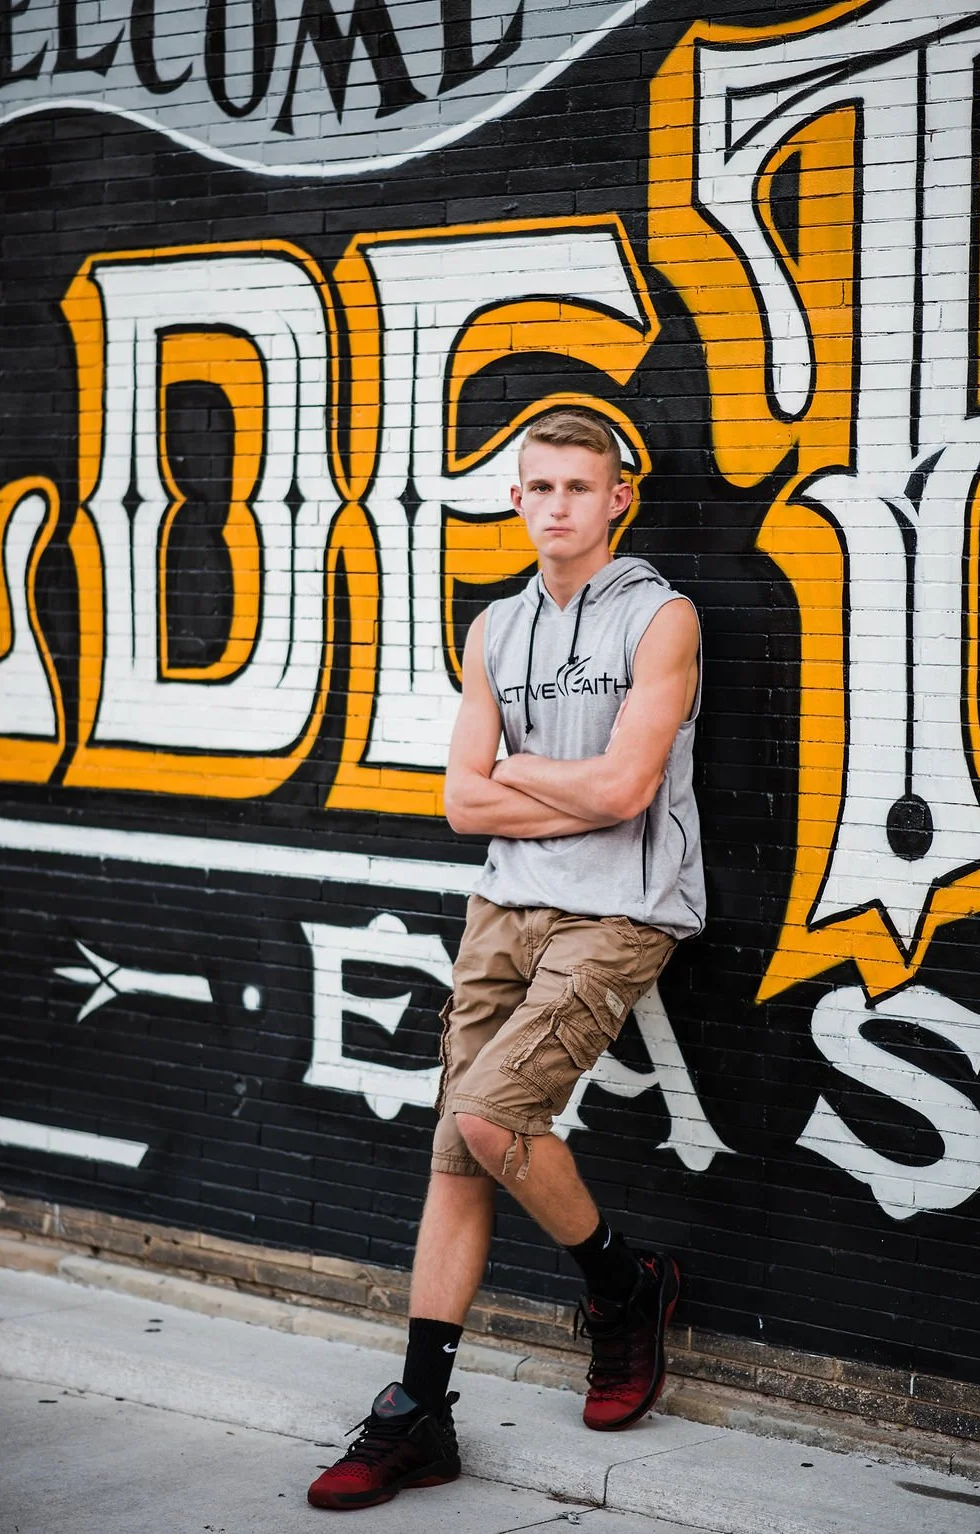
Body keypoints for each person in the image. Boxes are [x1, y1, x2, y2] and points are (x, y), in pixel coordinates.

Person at [308, 408, 704, 1512]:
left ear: (617, 497)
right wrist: (545, 783)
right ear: (517, 497)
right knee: (457, 1149)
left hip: (622, 909)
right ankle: (417, 1412)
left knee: (488, 1117)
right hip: (504, 906)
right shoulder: (495, 628)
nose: (556, 506)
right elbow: (456, 798)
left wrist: (518, 775)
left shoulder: (660, 619)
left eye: (578, 486)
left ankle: (623, 1285)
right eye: (538, 487)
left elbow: (626, 792)